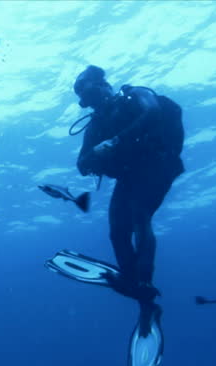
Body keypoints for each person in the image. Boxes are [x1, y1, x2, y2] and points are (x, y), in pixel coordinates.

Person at [73, 65, 184, 309]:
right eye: (88, 100)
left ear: (105, 86)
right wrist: (95, 153)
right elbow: (81, 164)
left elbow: (153, 112)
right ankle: (131, 281)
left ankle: (144, 281)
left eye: (94, 94)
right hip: (129, 176)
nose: (94, 103)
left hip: (158, 163)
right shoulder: (94, 126)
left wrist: (115, 141)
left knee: (139, 217)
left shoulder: (134, 95)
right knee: (117, 230)